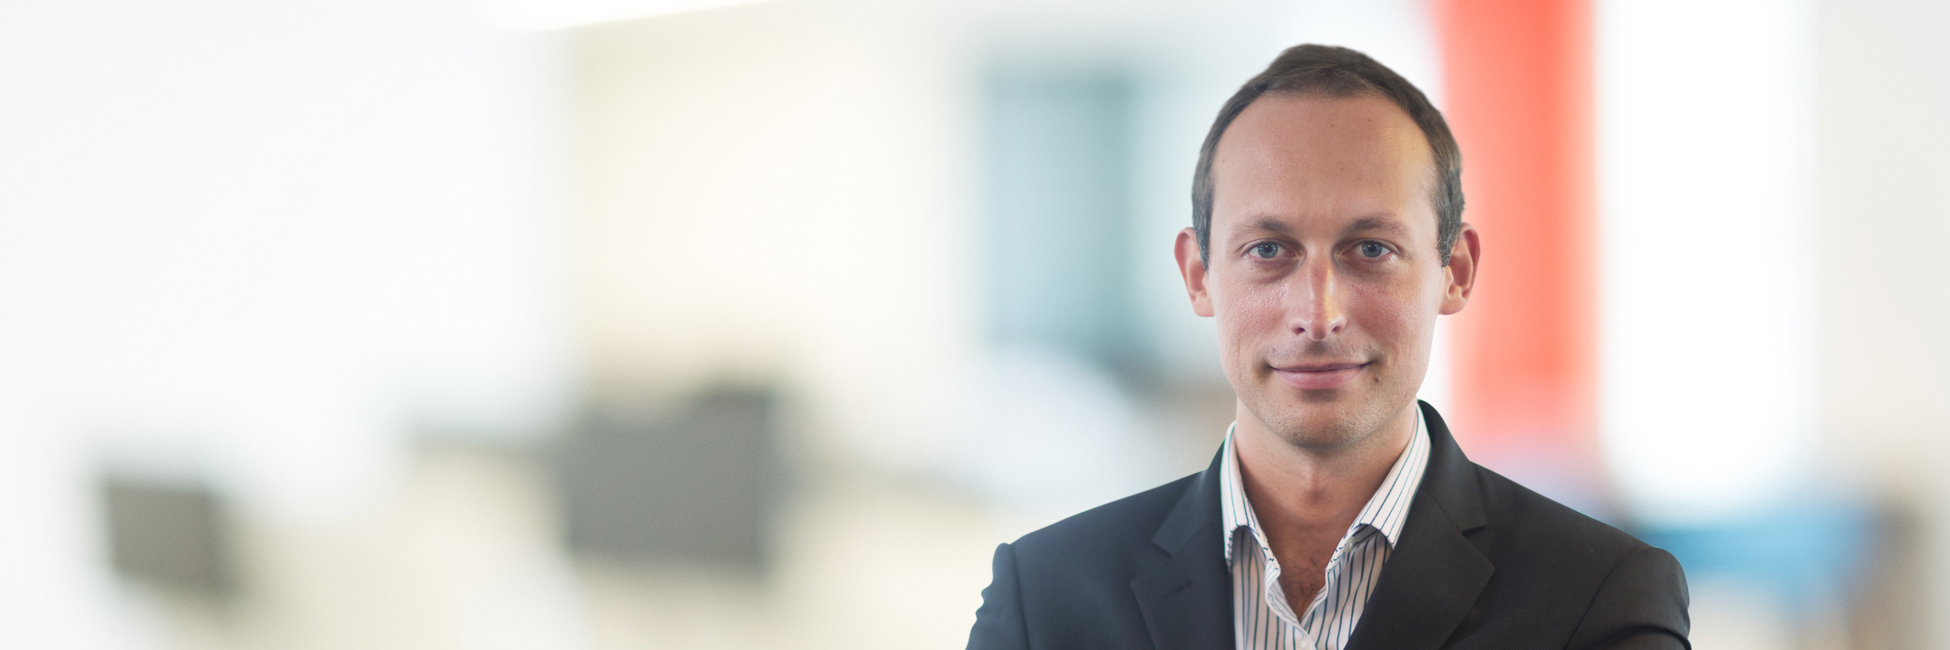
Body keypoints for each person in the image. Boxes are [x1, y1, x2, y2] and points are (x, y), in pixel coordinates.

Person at [964, 44, 1690, 650]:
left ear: (1456, 271)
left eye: (1371, 249)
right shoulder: (1046, 599)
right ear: (1198, 275)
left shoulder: (1598, 597)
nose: (1318, 314)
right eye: (1269, 250)